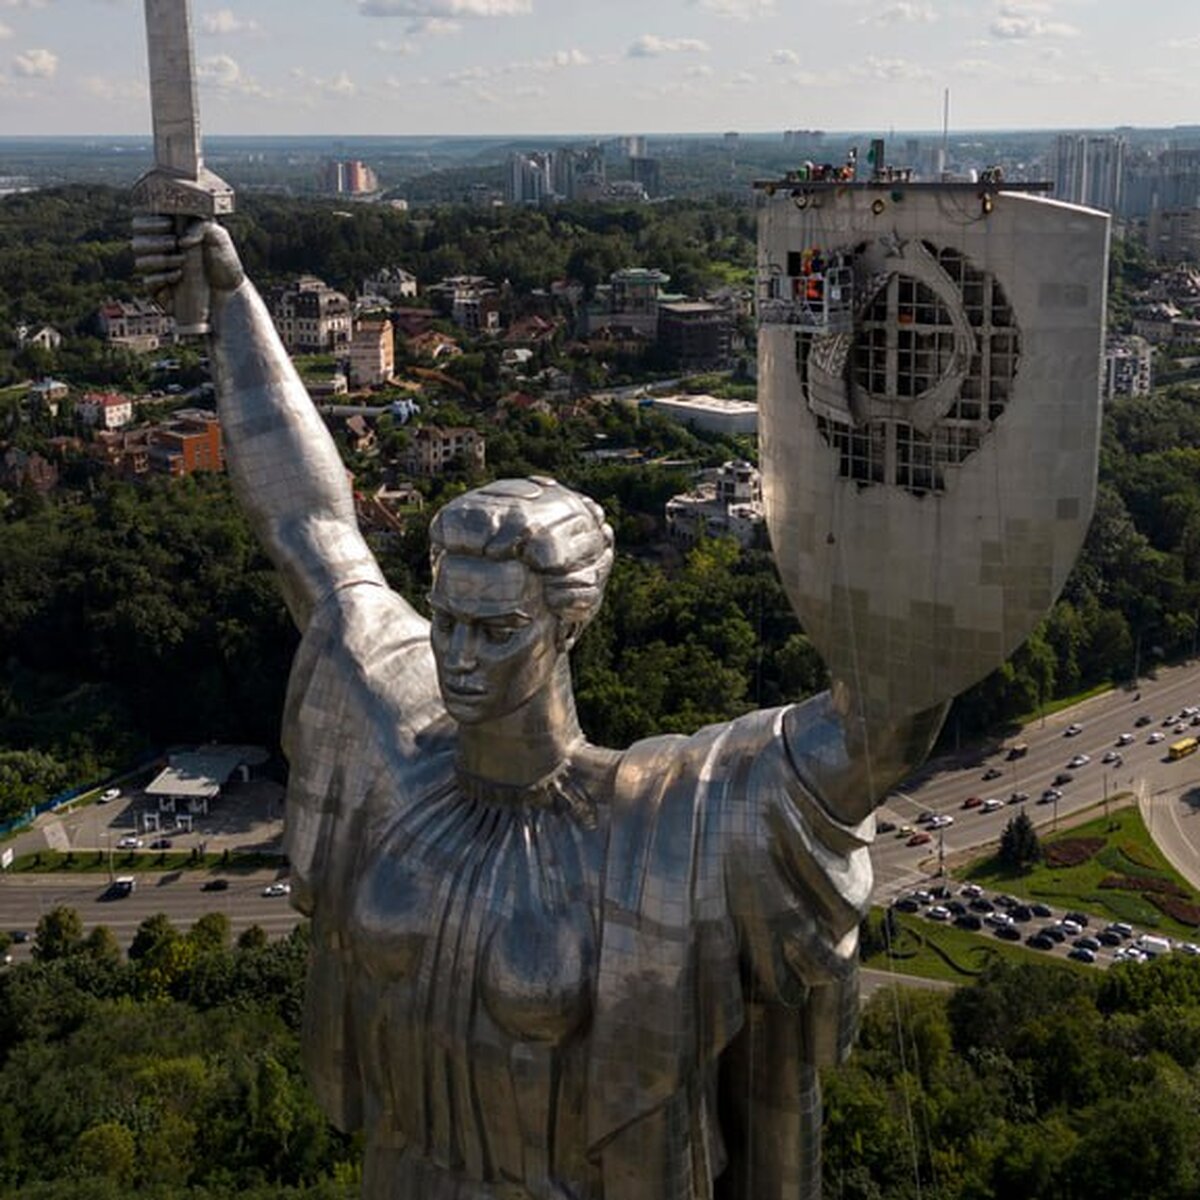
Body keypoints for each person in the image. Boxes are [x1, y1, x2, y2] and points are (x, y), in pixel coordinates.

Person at [133, 217, 946, 1200]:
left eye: (497, 631)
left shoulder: (663, 825)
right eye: (448, 622)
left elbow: (880, 726)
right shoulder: (396, 745)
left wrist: (910, 466)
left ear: (564, 628)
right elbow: (309, 525)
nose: (460, 657)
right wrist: (233, 299)